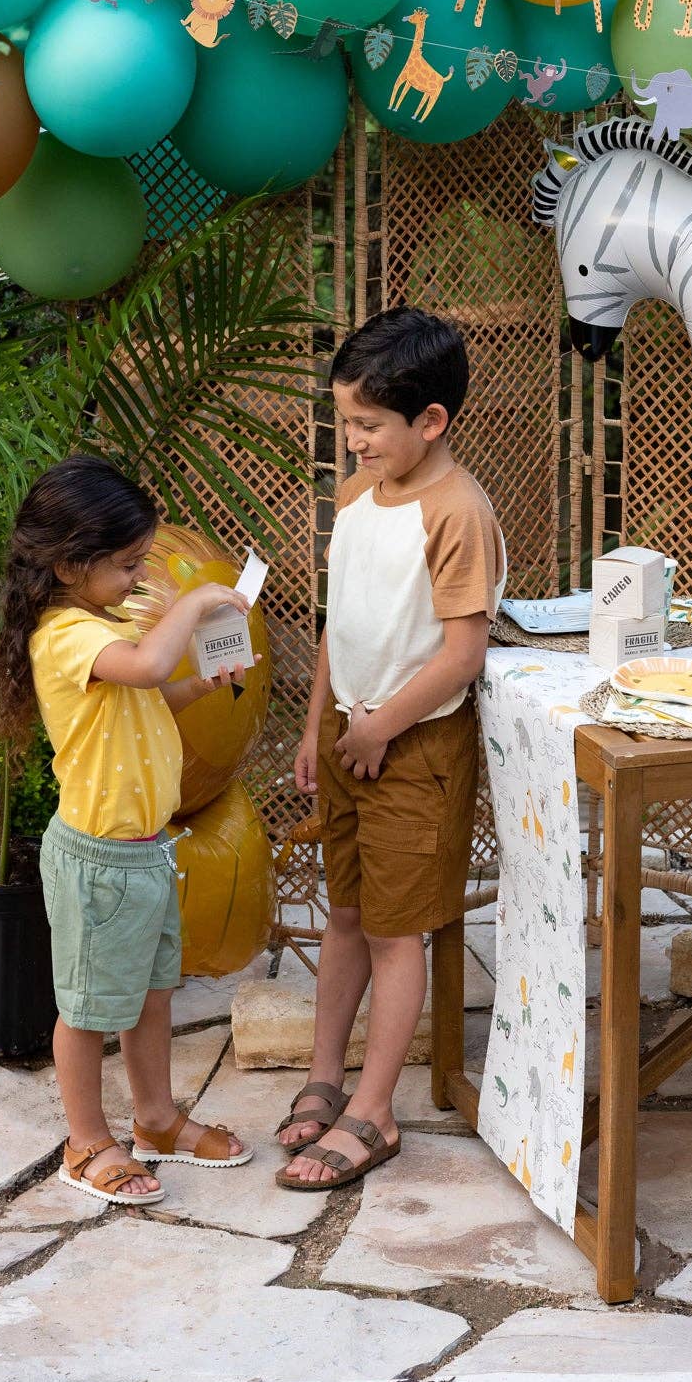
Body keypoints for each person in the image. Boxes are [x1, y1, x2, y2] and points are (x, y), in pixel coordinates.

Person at [0, 455, 254, 1206]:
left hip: (145, 854)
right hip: (98, 862)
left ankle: (158, 1120)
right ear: (71, 563)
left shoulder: (99, 625)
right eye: (130, 564)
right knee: (86, 1010)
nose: (141, 578)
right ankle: (85, 1142)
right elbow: (141, 665)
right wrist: (195, 600)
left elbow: (147, 693)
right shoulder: (64, 634)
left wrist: (200, 683)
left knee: (152, 996)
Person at [277, 307, 505, 1192]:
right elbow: (345, 621)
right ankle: (325, 1078)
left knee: (393, 927)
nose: (354, 442)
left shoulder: (458, 512)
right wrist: (318, 724)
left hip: (414, 746)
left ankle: (374, 1112)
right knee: (343, 911)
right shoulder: (356, 499)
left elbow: (462, 651)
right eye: (347, 422)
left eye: (369, 426)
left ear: (431, 422)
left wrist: (380, 726)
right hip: (350, 735)